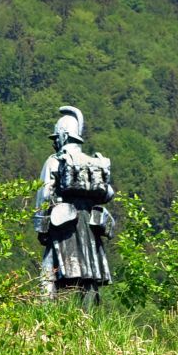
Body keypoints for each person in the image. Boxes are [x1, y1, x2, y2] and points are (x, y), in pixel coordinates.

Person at [33, 105, 117, 303]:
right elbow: (108, 193)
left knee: (48, 272)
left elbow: (45, 193)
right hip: (89, 225)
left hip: (63, 223)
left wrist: (42, 229)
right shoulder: (94, 162)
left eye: (56, 138)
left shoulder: (56, 161)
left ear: (63, 135)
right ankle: (88, 321)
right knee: (89, 273)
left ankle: (44, 313)